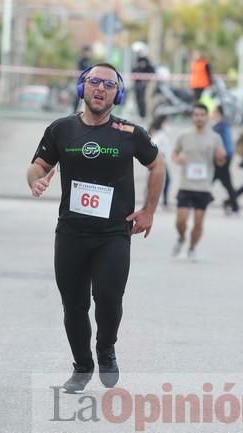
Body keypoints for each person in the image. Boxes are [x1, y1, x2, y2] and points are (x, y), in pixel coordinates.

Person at [26, 63, 165, 392]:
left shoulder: (130, 134)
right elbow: (37, 166)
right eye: (94, 82)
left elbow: (158, 164)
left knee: (108, 298)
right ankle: (82, 366)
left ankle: (106, 350)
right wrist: (35, 182)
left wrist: (148, 210)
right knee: (73, 305)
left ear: (118, 94)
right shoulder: (60, 130)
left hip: (113, 235)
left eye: (108, 84)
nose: (100, 89)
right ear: (81, 88)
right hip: (71, 233)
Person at [171, 103, 226, 260]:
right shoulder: (184, 135)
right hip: (185, 185)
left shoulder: (215, 138)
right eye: (196, 115)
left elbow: (220, 162)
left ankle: (192, 247)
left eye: (202, 115)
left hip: (203, 187)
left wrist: (221, 158)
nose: (199, 118)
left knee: (198, 222)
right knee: (180, 220)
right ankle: (181, 237)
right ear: (192, 117)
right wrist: (178, 159)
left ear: (207, 117)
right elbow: (174, 154)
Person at [212, 105, 239, 214]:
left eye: (214, 112)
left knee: (224, 182)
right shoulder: (224, 125)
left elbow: (223, 144)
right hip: (224, 157)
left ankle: (234, 206)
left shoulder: (220, 126)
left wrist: (222, 157)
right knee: (219, 180)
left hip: (222, 158)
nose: (212, 114)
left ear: (218, 112)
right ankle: (234, 205)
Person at [149, 115, 172, 208]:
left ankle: (164, 201)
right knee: (164, 181)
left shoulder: (162, 134)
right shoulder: (159, 135)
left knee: (165, 181)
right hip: (161, 163)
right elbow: (155, 146)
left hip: (164, 162)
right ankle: (163, 202)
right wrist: (160, 156)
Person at [132, 44, 155, 119]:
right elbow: (133, 70)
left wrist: (146, 80)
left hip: (143, 84)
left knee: (143, 99)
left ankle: (144, 115)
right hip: (136, 83)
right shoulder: (136, 60)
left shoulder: (146, 61)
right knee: (137, 99)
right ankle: (140, 114)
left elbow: (151, 71)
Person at [72, 46, 93, 113]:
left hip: (88, 82)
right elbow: (79, 72)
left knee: (88, 98)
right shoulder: (80, 61)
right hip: (81, 82)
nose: (88, 53)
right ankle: (74, 112)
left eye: (89, 52)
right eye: (86, 52)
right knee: (78, 97)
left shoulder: (90, 61)